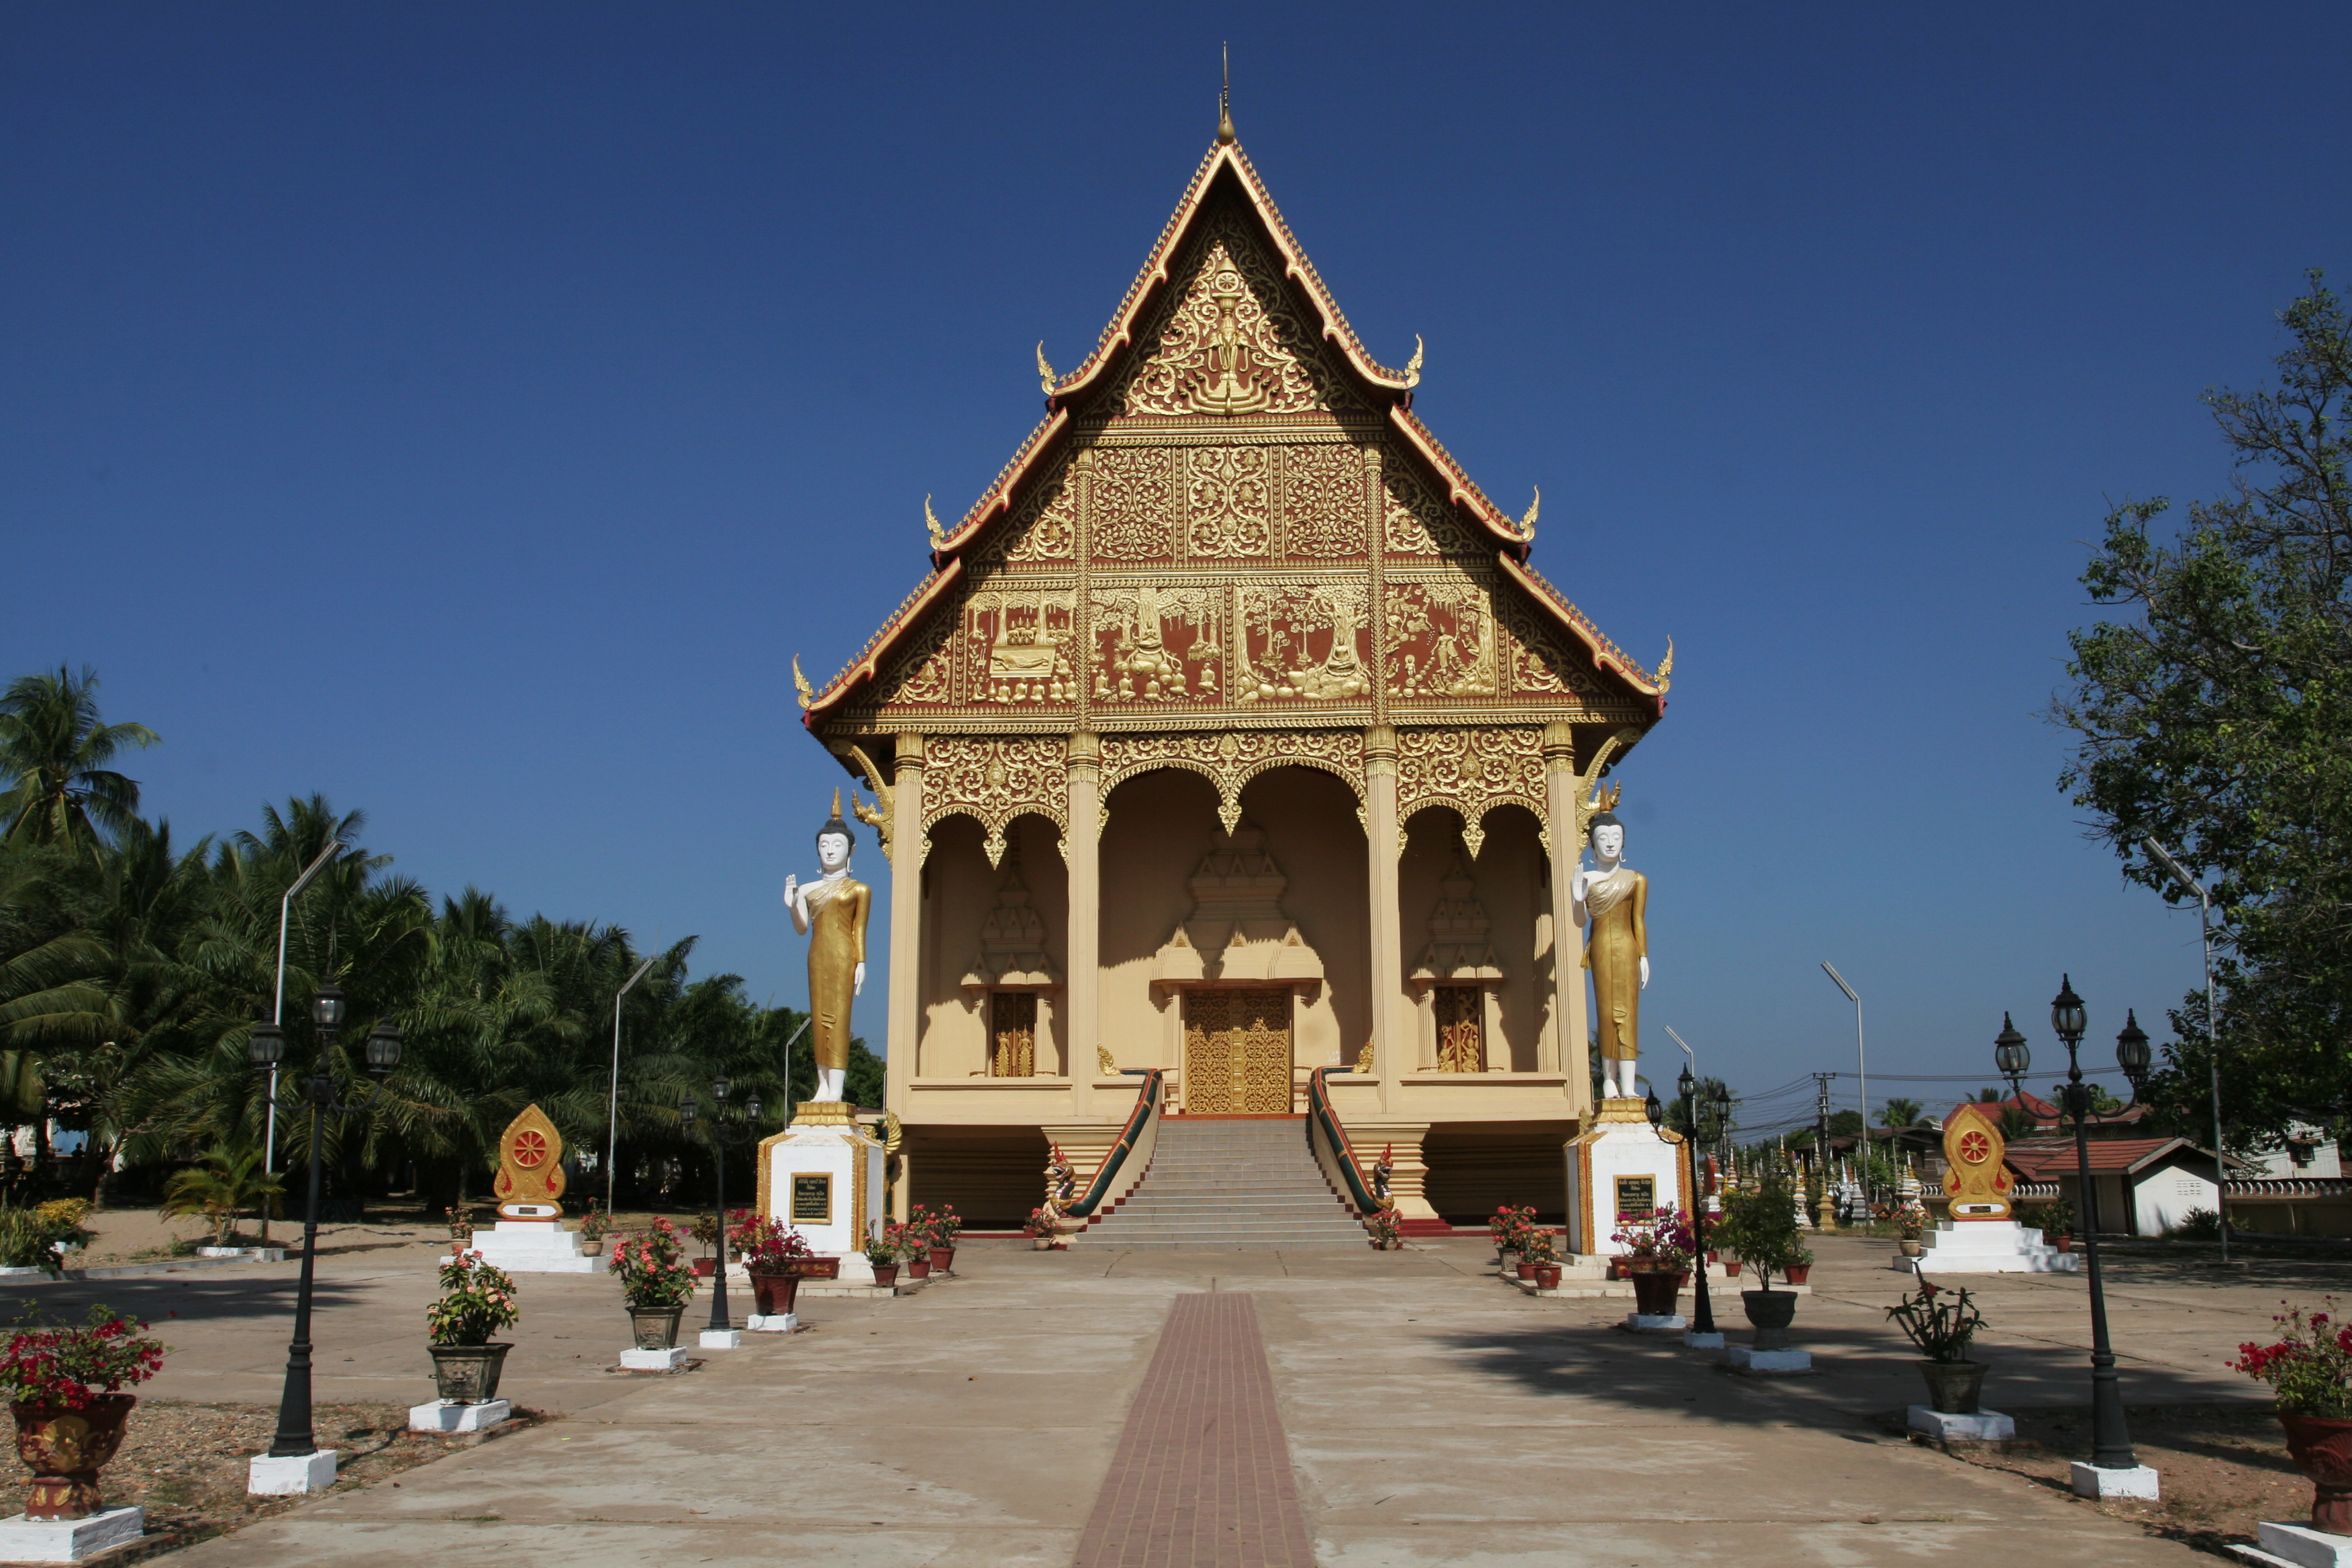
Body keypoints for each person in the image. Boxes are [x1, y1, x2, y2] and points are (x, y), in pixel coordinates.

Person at [784, 789, 871, 1104]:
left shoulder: (859, 889)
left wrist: (862, 963)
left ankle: (837, 1088)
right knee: (820, 1018)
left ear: (851, 850)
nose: (830, 851)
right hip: (817, 957)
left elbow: (859, 930)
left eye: (837, 845)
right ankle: (822, 1084)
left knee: (840, 1017)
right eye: (824, 845)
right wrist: (793, 904)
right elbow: (802, 928)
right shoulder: (807, 889)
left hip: (845, 956)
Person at [1573, 808, 1649, 1100]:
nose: (1610, 843)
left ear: (1624, 842)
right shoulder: (1588, 879)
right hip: (1602, 948)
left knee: (1629, 1013)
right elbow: (1580, 921)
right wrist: (1579, 900)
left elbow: (1638, 921)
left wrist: (1644, 956)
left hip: (1628, 947)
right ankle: (1608, 1079)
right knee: (1607, 1012)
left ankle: (1629, 1085)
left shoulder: (1636, 879)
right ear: (1592, 846)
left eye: (1616, 837)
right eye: (1602, 838)